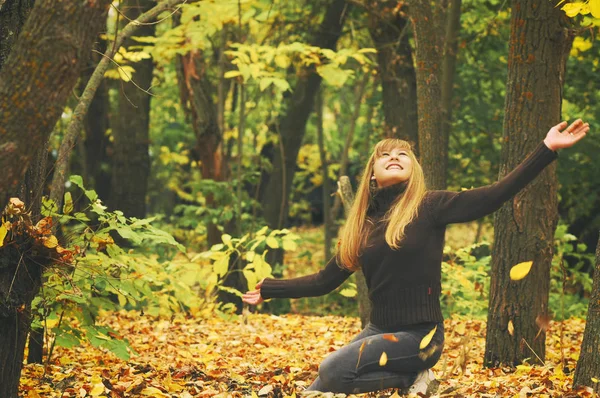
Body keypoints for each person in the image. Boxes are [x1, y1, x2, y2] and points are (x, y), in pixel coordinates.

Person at [242, 119, 589, 395]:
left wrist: (546, 149)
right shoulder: (362, 229)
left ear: (414, 169)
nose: (394, 157)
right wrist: (270, 288)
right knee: (319, 385)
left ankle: (411, 378)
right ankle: (408, 378)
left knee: (333, 369)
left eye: (403, 154)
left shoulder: (430, 207)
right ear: (372, 175)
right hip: (379, 330)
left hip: (422, 336)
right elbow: (323, 281)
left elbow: (492, 196)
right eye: (385, 155)